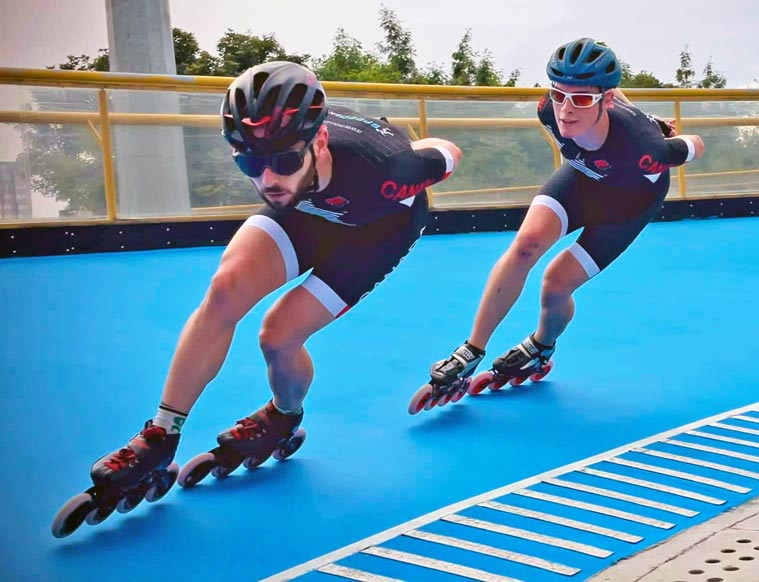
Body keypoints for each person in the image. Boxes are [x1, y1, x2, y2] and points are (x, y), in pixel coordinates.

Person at [53, 61, 462, 537]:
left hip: (377, 229)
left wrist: (424, 158)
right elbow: (278, 179)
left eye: (284, 161)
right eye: (249, 163)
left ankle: (282, 416)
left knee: (278, 336)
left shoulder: (387, 170)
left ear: (320, 141)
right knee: (224, 291)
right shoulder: (281, 176)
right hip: (307, 210)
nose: (267, 178)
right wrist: (289, 171)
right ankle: (161, 433)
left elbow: (446, 150)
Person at [412, 38, 704, 412]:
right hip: (583, 179)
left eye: (581, 99)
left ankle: (541, 345)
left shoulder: (645, 148)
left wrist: (670, 135)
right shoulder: (546, 110)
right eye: (558, 94)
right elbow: (583, 102)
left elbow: (695, 144)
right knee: (525, 245)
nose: (566, 110)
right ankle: (472, 349)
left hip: (627, 204)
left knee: (555, 284)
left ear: (607, 99)